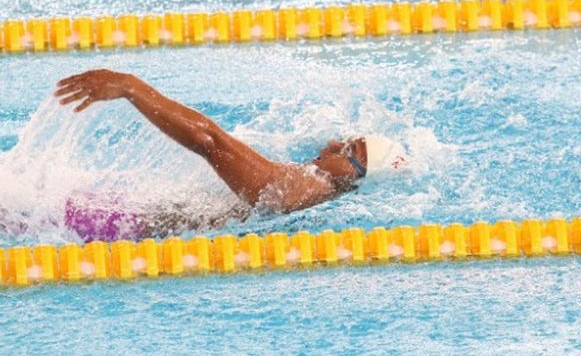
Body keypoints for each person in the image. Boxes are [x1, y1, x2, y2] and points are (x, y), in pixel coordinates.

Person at [54, 69, 406, 234]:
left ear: (356, 173)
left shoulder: (299, 188)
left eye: (347, 148)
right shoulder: (318, 196)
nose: (333, 144)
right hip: (136, 223)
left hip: (116, 230)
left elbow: (210, 142)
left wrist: (132, 88)